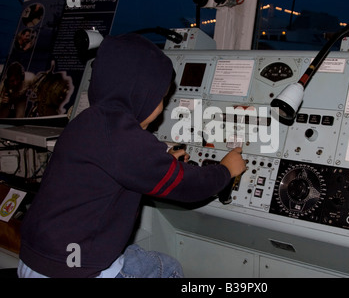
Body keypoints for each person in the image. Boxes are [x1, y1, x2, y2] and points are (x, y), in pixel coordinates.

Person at [18, 33, 247, 278]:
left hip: (37, 256)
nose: (162, 108)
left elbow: (125, 159)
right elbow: (187, 186)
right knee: (167, 269)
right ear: (140, 93)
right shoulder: (122, 138)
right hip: (73, 269)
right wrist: (225, 170)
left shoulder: (90, 120)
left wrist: (164, 157)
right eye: (161, 98)